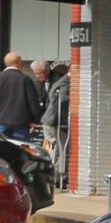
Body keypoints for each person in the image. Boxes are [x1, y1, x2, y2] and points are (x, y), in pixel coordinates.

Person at [0, 52, 43, 141]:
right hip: (21, 124)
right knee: (21, 151)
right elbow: (32, 102)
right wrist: (35, 120)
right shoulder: (25, 79)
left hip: (1, 122)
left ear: (6, 63)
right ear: (19, 63)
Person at [42, 60, 69, 190]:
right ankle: (57, 177)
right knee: (65, 150)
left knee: (58, 149)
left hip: (48, 121)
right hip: (55, 122)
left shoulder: (58, 81)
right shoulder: (65, 81)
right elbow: (63, 99)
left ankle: (53, 175)